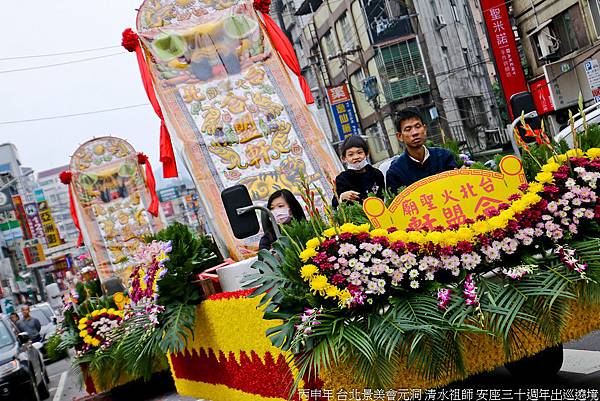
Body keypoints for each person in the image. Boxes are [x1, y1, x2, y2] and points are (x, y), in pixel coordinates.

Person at [386, 108, 457, 194]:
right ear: (400, 136)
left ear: (425, 129)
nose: (415, 132)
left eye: (418, 126)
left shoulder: (444, 156)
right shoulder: (395, 172)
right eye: (408, 129)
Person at [333, 135, 385, 206]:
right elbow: (334, 205)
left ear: (367, 154)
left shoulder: (376, 174)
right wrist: (342, 196)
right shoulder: (342, 179)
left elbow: (383, 197)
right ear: (344, 158)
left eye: (359, 152)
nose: (356, 157)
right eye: (351, 154)